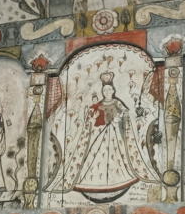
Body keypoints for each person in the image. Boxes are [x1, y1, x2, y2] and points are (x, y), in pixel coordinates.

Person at [60, 71, 155, 202]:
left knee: (115, 159)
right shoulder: (98, 104)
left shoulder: (117, 103)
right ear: (103, 91)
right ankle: (93, 182)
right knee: (96, 157)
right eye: (105, 90)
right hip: (100, 135)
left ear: (113, 90)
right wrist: (92, 117)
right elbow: (91, 119)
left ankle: (117, 181)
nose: (107, 91)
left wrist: (119, 118)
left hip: (114, 135)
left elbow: (125, 113)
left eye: (109, 89)